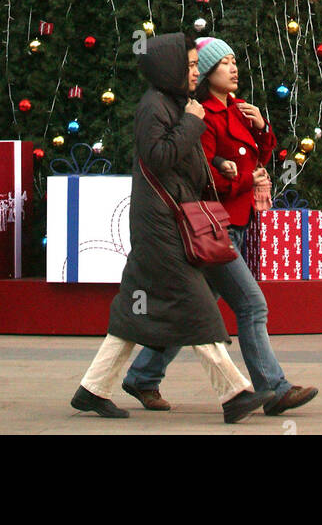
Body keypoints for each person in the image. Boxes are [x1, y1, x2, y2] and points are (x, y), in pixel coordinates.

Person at [71, 32, 273, 422]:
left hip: (164, 222)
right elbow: (160, 155)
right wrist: (194, 125)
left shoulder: (174, 102)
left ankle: (92, 389)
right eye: (192, 65)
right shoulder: (155, 106)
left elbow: (181, 160)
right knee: (199, 307)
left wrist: (216, 167)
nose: (197, 72)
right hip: (160, 227)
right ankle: (235, 393)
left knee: (133, 311)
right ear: (171, 67)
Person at [122, 37, 318, 416]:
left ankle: (142, 376)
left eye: (234, 61)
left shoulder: (238, 110)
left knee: (193, 310)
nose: (233, 68)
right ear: (206, 75)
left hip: (237, 223)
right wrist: (245, 177)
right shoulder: (202, 115)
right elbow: (203, 178)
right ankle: (273, 388)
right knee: (251, 305)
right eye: (223, 63)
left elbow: (257, 156)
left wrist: (262, 128)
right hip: (215, 226)